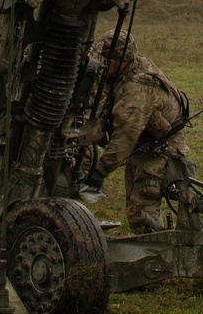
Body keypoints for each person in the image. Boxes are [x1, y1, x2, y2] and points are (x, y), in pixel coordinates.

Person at [80, 33, 192, 233]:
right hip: (143, 146)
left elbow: (126, 134)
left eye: (107, 59)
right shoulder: (127, 71)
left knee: (141, 215)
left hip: (161, 151)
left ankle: (159, 253)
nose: (103, 63)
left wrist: (99, 173)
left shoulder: (138, 86)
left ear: (121, 59)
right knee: (135, 210)